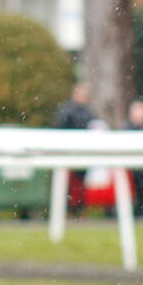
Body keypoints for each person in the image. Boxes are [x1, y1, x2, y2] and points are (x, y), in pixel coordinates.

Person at [53, 82, 95, 214]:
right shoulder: (66, 110)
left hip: (84, 151)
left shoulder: (89, 112)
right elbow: (61, 129)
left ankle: (78, 209)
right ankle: (66, 210)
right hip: (69, 151)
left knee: (81, 182)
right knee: (67, 182)